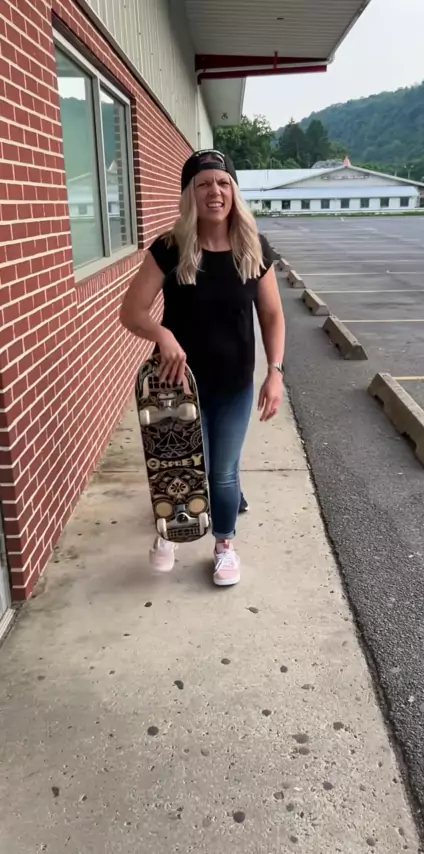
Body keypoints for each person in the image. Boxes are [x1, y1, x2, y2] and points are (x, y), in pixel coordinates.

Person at [120, 149, 285, 587]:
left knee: (223, 473)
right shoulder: (170, 249)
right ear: (190, 194)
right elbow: (131, 312)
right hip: (176, 387)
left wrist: (275, 372)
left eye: (223, 182)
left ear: (234, 191)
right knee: (176, 468)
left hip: (234, 385)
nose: (215, 191)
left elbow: (272, 316)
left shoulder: (254, 248)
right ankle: (169, 532)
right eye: (204, 183)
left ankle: (224, 546)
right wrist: (162, 335)